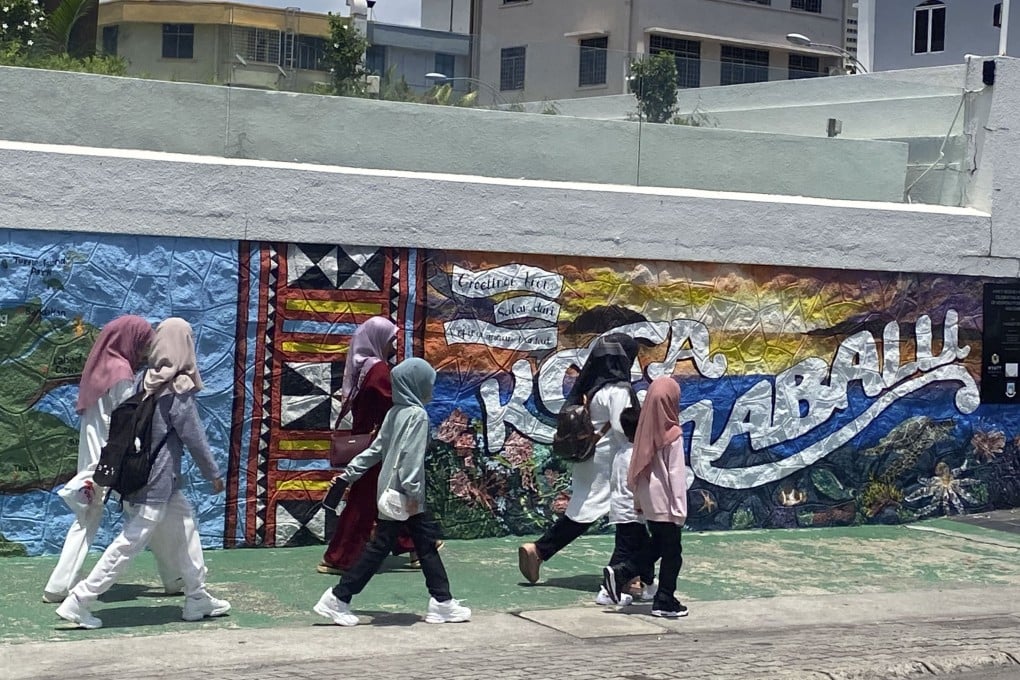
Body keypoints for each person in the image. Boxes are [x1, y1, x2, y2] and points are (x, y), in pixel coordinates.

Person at [56, 318, 231, 629]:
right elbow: (195, 437)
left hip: (146, 478)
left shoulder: (144, 380)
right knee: (128, 544)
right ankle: (80, 600)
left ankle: (197, 597)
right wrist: (213, 474)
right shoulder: (178, 389)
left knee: (187, 526)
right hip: (156, 483)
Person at [313, 358, 470, 627]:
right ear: (416, 385)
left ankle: (442, 602)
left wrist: (348, 474)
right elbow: (410, 458)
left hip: (388, 492)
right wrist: (412, 494)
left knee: (425, 547)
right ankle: (338, 598)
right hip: (405, 498)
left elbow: (375, 450)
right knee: (383, 549)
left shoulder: (394, 413)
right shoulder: (418, 416)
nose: (430, 388)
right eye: (427, 383)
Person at [43, 315, 178, 603]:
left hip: (93, 462)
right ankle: (174, 577)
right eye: (142, 343)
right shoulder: (122, 374)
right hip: (112, 461)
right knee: (144, 513)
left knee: (120, 516)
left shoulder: (98, 370)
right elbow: (127, 420)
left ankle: (173, 577)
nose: (144, 350)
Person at [517, 333, 640, 585]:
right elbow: (622, 430)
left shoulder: (590, 388)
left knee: (583, 511)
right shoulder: (619, 390)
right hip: (610, 464)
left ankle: (540, 551)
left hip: (588, 460)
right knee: (627, 516)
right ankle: (624, 573)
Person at [318, 316, 418, 575]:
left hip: (372, 443)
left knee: (387, 496)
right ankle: (339, 557)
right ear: (378, 340)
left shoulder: (363, 367)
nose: (395, 343)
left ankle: (417, 543)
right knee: (365, 502)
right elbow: (393, 402)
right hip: (378, 446)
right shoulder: (379, 371)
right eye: (391, 338)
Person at [602, 376, 689, 618]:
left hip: (649, 502)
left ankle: (623, 573)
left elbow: (636, 470)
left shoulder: (643, 434)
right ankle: (664, 599)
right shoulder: (672, 434)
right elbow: (676, 474)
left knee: (659, 545)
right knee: (672, 553)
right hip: (668, 503)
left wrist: (638, 502)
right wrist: (680, 509)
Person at [597, 405, 657, 606]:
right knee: (624, 550)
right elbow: (637, 483)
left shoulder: (623, 452)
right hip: (630, 511)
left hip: (624, 509)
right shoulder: (636, 455)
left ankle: (649, 585)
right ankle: (607, 590)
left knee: (644, 548)